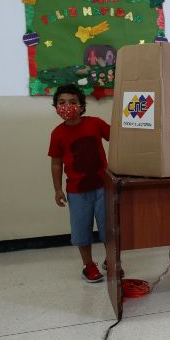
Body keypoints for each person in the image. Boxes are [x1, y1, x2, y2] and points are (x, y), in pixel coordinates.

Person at [48, 84, 111, 282]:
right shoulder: (57, 134)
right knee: (81, 230)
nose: (67, 106)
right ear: (56, 107)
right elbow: (56, 164)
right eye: (62, 102)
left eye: (72, 102)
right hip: (76, 192)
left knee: (109, 229)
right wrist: (58, 189)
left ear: (82, 106)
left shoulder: (95, 124)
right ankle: (88, 265)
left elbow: (119, 140)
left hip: (103, 188)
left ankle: (112, 260)